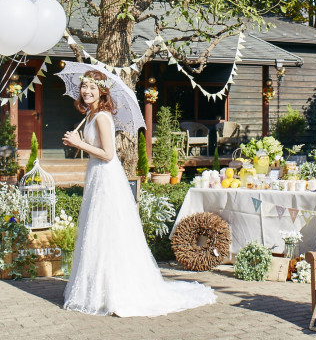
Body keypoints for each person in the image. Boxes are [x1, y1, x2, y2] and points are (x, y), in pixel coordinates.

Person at [62, 70, 216, 316]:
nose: (86, 91)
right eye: (84, 87)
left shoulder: (102, 117)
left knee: (107, 230)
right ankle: (98, 290)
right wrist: (79, 141)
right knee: (96, 231)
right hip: (96, 176)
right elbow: (96, 151)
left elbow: (109, 154)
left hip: (106, 178)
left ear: (102, 91)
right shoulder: (91, 116)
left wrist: (79, 144)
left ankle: (115, 292)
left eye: (92, 87)